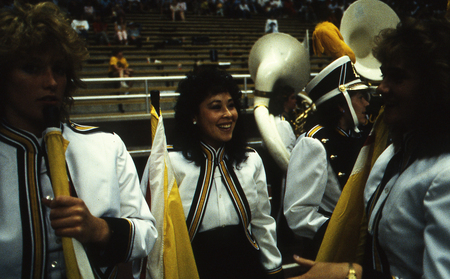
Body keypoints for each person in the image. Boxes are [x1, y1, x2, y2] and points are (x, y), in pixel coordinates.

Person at [0, 2, 157, 278]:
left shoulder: (107, 145)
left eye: (59, 70)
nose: (50, 81)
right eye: (31, 68)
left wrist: (100, 230)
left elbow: (148, 233)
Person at [290, 17, 450, 279]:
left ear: (435, 86)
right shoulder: (392, 154)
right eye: (384, 74)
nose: (381, 88)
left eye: (397, 78)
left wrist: (351, 274)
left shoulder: (444, 173)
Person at [142, 66, 283, 278]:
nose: (228, 114)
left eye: (232, 106)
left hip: (247, 268)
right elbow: (157, 233)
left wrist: (274, 269)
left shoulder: (251, 159)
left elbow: (263, 222)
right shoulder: (167, 162)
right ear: (194, 115)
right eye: (216, 107)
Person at [284, 55, 370, 260]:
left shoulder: (359, 136)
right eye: (360, 97)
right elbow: (297, 213)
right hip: (329, 250)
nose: (367, 103)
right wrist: (338, 231)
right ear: (342, 104)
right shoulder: (313, 143)